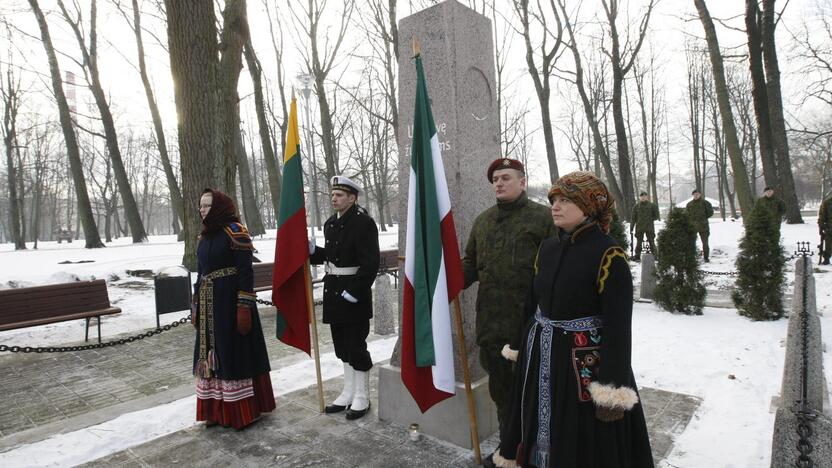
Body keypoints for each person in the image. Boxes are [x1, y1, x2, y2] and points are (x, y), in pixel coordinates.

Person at [498, 171, 654, 468]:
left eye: (565, 200)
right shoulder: (547, 248)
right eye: (553, 199)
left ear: (588, 207)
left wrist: (611, 390)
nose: (555, 206)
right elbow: (532, 303)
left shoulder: (609, 254)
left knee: (580, 438)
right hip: (540, 357)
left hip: (582, 367)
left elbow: (619, 329)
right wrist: (519, 344)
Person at [462, 157, 555, 468]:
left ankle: (536, 452)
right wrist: (445, 280)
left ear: (522, 182)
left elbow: (557, 273)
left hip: (530, 328)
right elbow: (470, 265)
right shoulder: (483, 221)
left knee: (534, 396)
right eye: (495, 179)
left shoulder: (543, 220)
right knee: (502, 394)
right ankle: (508, 450)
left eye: (506, 178)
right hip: (491, 327)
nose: (499, 183)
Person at [192, 188, 275, 429]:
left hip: (230, 303)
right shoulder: (204, 237)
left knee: (232, 353)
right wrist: (196, 303)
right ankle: (215, 410)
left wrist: (244, 307)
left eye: (207, 205)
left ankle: (242, 411)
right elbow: (201, 272)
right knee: (209, 354)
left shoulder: (236, 232)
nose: (202, 209)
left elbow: (246, 273)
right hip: (209, 304)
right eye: (201, 205)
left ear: (219, 206)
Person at [309, 175, 380, 420]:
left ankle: (362, 395)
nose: (334, 199)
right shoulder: (331, 223)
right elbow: (332, 256)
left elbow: (370, 264)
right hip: (333, 293)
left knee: (356, 346)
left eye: (339, 195)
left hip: (353, 295)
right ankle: (348, 391)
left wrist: (354, 292)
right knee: (341, 347)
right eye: (333, 195)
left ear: (352, 198)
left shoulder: (363, 223)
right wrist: (312, 252)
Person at [686, 189, 714, 263]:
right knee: (691, 242)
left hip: (703, 226)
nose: (696, 196)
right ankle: (692, 257)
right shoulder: (689, 204)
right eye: (694, 194)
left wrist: (703, 218)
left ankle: (706, 257)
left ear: (700, 195)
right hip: (692, 226)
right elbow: (687, 214)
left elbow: (710, 212)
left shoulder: (705, 203)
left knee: (705, 243)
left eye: (697, 194)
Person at [630, 191, 660, 260]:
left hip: (649, 227)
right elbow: (633, 218)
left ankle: (655, 255)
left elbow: (656, 215)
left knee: (651, 241)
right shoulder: (636, 206)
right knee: (639, 243)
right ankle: (637, 255)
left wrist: (649, 219)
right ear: (640, 197)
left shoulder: (652, 205)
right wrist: (631, 227)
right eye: (642, 196)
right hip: (639, 227)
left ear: (647, 197)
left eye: (644, 196)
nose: (643, 198)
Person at [819, 194, 832, 265]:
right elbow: (822, 215)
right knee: (829, 244)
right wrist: (821, 226)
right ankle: (827, 258)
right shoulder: (827, 203)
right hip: (830, 228)